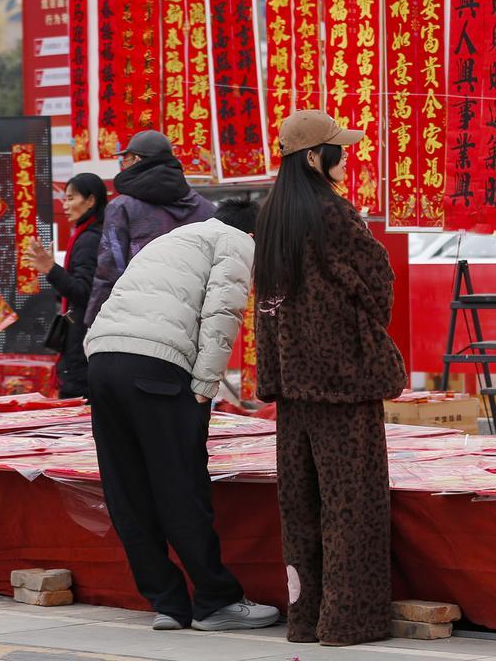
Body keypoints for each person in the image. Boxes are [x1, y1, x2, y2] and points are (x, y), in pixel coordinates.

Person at [85, 197, 278, 634]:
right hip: (156, 369)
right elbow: (221, 315)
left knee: (127, 489)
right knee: (179, 485)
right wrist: (204, 388)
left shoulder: (172, 238)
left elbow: (114, 296)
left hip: (104, 362)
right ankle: (216, 601)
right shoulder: (236, 242)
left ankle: (168, 603)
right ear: (254, 234)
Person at [252, 110, 405, 646]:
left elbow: (266, 307)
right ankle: (346, 622)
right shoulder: (334, 213)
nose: (347, 156)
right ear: (315, 158)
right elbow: (376, 283)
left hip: (292, 385)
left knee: (301, 506)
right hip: (343, 380)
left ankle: (304, 616)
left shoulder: (270, 215)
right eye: (338, 149)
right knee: (351, 502)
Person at [84, 129, 215, 328]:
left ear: (136, 160)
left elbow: (110, 273)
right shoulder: (208, 210)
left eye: (125, 160)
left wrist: (94, 324)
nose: (123, 166)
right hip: (193, 323)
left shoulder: (121, 208)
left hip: (137, 324)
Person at [24, 173, 108, 398]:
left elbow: (84, 293)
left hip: (82, 342)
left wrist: (51, 269)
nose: (66, 205)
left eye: (71, 198)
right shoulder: (93, 234)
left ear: (90, 201)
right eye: (65, 199)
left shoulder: (89, 240)